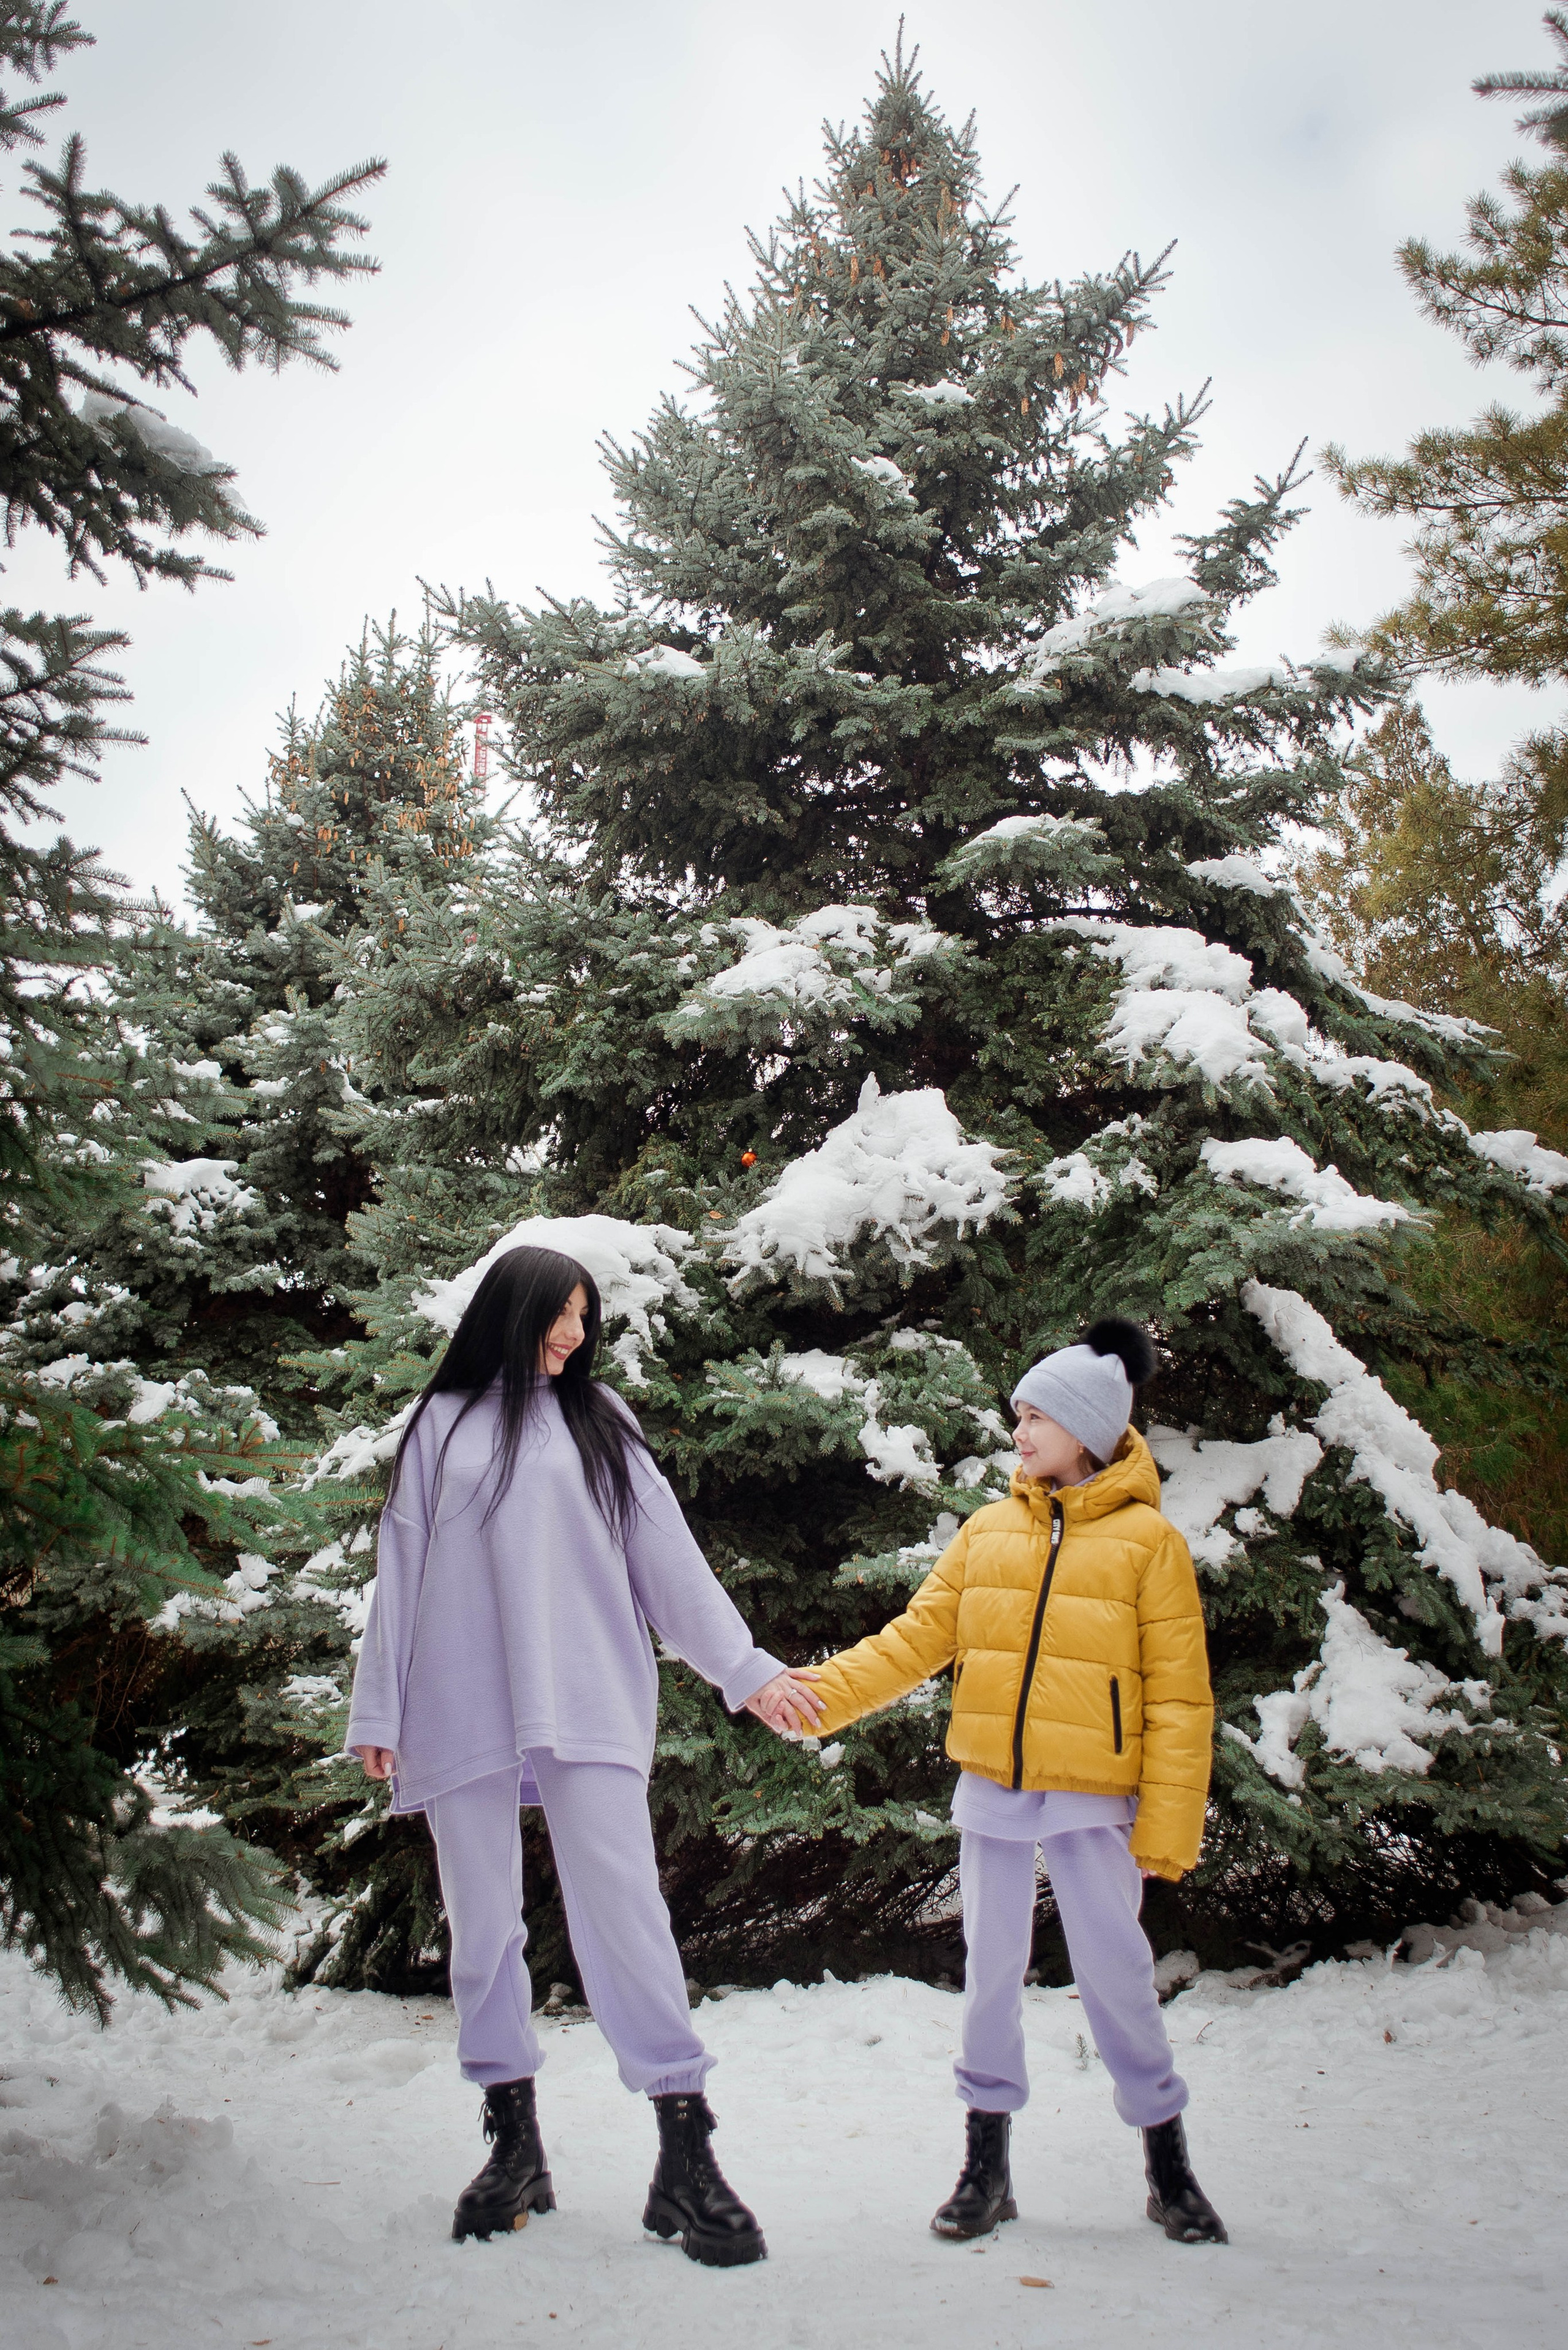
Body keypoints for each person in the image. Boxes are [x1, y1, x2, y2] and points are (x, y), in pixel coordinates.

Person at [345, 1243, 821, 2264]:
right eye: (558, 1315)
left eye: (583, 1317)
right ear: (508, 1315)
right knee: (482, 1925)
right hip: (460, 1692)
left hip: (590, 1686)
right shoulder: (440, 1425)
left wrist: (745, 1668)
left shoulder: (598, 1419)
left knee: (625, 1913)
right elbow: (402, 1565)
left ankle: (684, 2152)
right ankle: (514, 2144)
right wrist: (379, 1707)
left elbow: (668, 1556)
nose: (573, 1333)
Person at [802, 1319, 1227, 2246]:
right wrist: (821, 1695)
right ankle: (984, 2168)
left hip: (1094, 1792)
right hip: (993, 1784)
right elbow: (915, 1638)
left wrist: (1167, 1825)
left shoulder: (1150, 1545)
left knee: (1116, 1975)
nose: (1020, 1432)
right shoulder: (990, 1531)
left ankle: (1168, 2164)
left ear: (1088, 1427)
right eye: (1018, 1416)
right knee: (988, 1972)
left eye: (1036, 1417)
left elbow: (1183, 1699)